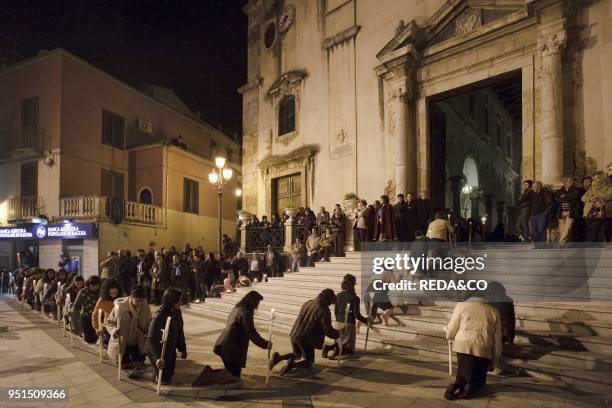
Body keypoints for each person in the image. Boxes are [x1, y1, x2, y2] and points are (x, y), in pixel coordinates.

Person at [444, 291, 502, 400]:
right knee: (479, 378)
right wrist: (495, 357)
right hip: (483, 347)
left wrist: (448, 334)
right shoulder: (493, 311)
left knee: (462, 374)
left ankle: (455, 385)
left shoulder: (461, 306)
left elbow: (452, 326)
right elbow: (497, 338)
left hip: (462, 345)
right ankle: (472, 387)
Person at [269, 289, 339, 376]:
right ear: (328, 299)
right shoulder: (324, 311)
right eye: (331, 302)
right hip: (306, 338)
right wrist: (338, 334)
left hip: (295, 334)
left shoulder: (308, 302)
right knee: (309, 361)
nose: (330, 305)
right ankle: (292, 364)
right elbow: (328, 331)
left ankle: (278, 358)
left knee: (297, 354)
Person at [213, 291, 271, 380]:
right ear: (253, 301)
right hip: (231, 349)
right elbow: (251, 332)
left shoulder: (238, 307)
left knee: (232, 375)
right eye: (258, 302)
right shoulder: (246, 312)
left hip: (225, 345)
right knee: (233, 377)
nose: (258, 305)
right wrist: (265, 344)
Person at [106, 285, 152, 379]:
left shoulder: (144, 306)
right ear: (131, 297)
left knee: (139, 363)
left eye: (141, 301)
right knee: (124, 364)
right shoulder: (119, 308)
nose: (139, 303)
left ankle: (136, 368)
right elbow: (109, 322)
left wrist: (149, 336)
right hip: (123, 340)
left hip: (137, 339)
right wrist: (114, 331)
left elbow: (148, 323)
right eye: (137, 300)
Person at [145, 287, 187, 385]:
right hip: (158, 348)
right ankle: (147, 373)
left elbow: (179, 331)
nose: (181, 302)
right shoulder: (160, 314)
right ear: (171, 300)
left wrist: (182, 349)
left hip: (170, 348)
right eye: (179, 300)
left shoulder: (177, 312)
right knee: (163, 378)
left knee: (169, 375)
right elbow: (151, 338)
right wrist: (157, 359)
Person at [322, 274, 368, 359]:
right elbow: (356, 315)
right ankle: (337, 351)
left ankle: (328, 347)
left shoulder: (338, 295)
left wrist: (339, 320)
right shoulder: (355, 298)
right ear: (352, 285)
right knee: (350, 349)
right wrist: (366, 320)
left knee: (339, 342)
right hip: (349, 324)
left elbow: (336, 311)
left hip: (338, 322)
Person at [92, 278, 122, 347]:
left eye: (115, 292)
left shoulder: (122, 297)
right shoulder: (102, 300)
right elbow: (95, 315)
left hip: (121, 324)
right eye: (111, 292)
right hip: (109, 326)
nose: (114, 294)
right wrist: (96, 328)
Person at [73, 276, 102, 344]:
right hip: (86, 316)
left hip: (98, 317)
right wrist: (72, 312)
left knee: (97, 336)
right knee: (88, 338)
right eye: (92, 285)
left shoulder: (101, 291)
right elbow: (76, 305)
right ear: (89, 285)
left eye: (96, 285)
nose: (94, 287)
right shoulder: (83, 292)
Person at [555, 176, 582, 243]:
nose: (572, 182)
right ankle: (567, 244)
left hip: (571, 212)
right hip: (561, 212)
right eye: (570, 180)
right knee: (562, 230)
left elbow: (574, 196)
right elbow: (557, 200)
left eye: (572, 180)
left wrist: (563, 197)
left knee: (567, 229)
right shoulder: (559, 191)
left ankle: (561, 243)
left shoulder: (576, 190)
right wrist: (568, 197)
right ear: (565, 182)